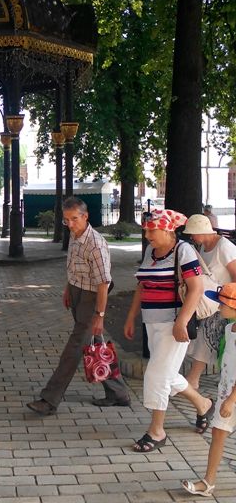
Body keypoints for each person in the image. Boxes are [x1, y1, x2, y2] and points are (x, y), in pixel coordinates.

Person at [26, 196, 130, 416]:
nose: (70, 224)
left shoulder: (96, 244)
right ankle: (118, 393)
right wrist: (68, 289)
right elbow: (74, 267)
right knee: (94, 343)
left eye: (74, 219)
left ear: (85, 216)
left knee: (73, 349)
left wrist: (100, 315)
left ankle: (50, 399)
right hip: (77, 293)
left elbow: (104, 284)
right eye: (66, 220)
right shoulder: (75, 235)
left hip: (92, 299)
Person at [124, 208, 215, 452]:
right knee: (166, 373)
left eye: (151, 230)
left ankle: (157, 431)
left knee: (156, 375)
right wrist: (131, 317)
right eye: (146, 230)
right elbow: (142, 286)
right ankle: (203, 404)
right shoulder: (150, 251)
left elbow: (196, 288)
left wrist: (181, 321)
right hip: (152, 322)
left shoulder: (183, 250)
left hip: (173, 324)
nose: (147, 235)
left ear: (167, 230)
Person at [181, 283, 236, 498]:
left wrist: (231, 400)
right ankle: (208, 482)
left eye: (222, 304)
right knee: (218, 433)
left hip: (232, 396)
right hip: (226, 392)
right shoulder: (229, 329)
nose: (219, 307)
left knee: (219, 432)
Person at [182, 214, 235, 389]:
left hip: (224, 303)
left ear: (201, 231)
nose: (191, 237)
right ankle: (199, 378)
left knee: (207, 338)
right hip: (212, 302)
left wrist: (231, 302)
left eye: (193, 233)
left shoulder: (223, 247)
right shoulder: (204, 247)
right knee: (211, 339)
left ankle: (193, 378)